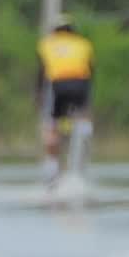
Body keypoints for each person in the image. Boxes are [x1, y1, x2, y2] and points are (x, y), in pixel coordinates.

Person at [36, 14, 95, 187]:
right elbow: (91, 71)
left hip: (58, 84)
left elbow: (42, 73)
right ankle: (84, 130)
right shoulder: (84, 44)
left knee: (52, 125)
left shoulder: (47, 44)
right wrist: (87, 100)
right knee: (82, 117)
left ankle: (52, 169)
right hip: (81, 84)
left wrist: (38, 95)